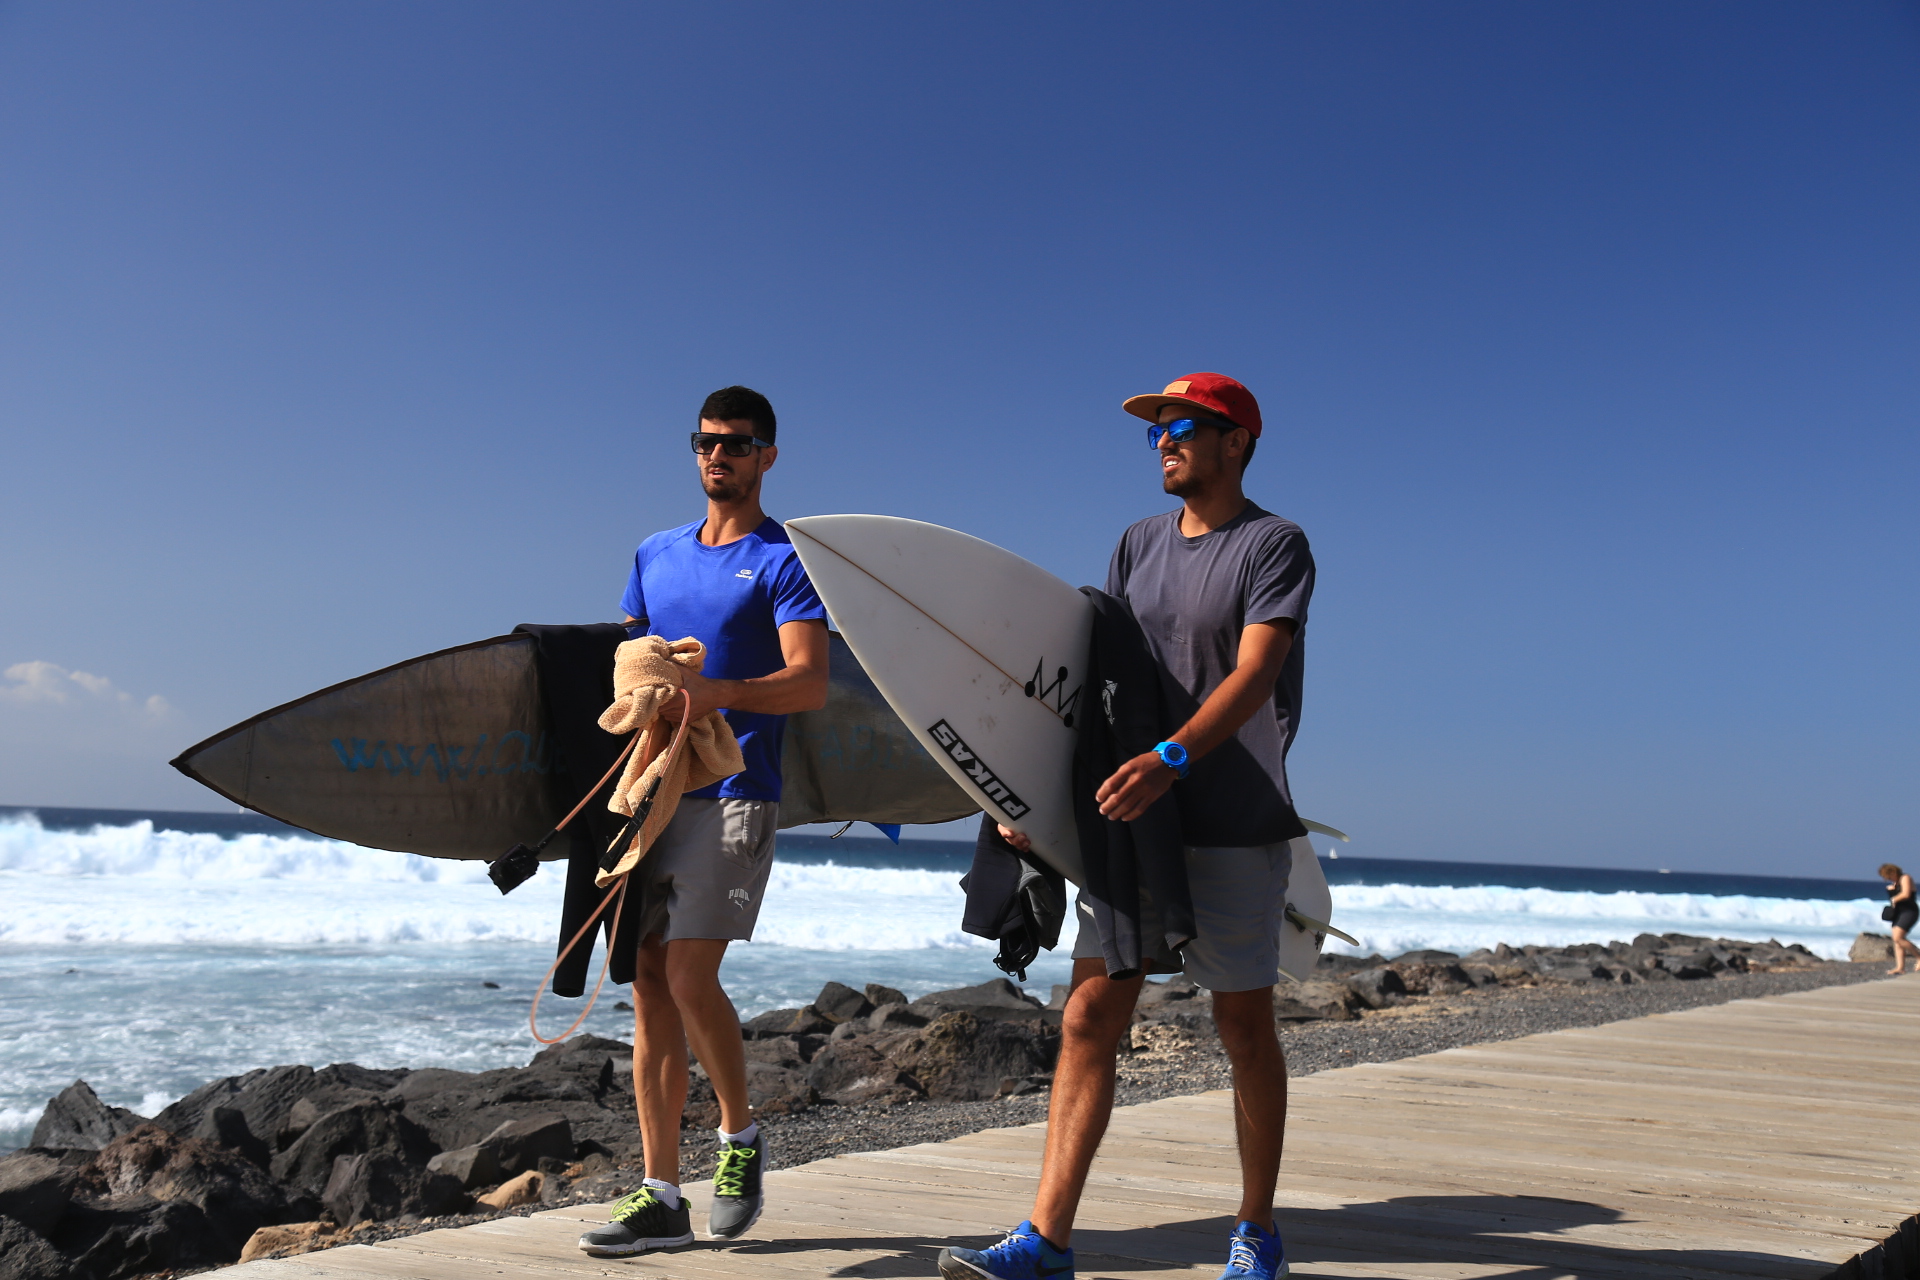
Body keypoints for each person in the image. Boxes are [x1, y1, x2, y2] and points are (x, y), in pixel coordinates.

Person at [939, 373, 1314, 1280]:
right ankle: (1046, 1240)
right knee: (1089, 1018)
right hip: (1130, 819)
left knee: (1242, 1025)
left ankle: (1257, 1229)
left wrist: (1174, 759)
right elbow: (1091, 680)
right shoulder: (1137, 543)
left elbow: (1256, 674)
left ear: (1238, 442)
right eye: (1154, 430)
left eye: (1183, 427)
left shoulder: (1274, 544)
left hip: (1229, 815)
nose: (1164, 441)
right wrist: (1032, 800)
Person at [577, 386, 829, 1258]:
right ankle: (659, 1195)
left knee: (688, 974)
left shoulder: (784, 559)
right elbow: (627, 659)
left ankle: (738, 1139)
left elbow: (809, 681)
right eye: (705, 442)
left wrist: (722, 691)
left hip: (737, 790)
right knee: (648, 981)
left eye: (736, 444)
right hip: (653, 791)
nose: (717, 456)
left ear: (766, 456)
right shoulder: (654, 553)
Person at [1880, 863, 1918, 975]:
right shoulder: (1894, 883)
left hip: (1909, 911)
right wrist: (1891, 890)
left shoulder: (1905, 878)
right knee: (1896, 941)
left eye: (1889, 876)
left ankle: (1919, 957)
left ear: (1894, 872)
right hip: (1898, 913)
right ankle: (1900, 967)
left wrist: (1894, 898)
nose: (1888, 879)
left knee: (1899, 937)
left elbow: (1906, 894)